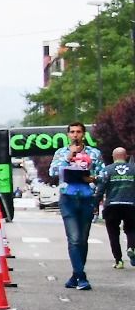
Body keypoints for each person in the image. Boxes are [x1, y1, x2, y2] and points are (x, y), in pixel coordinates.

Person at [48, 122, 105, 289]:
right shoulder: (61, 153)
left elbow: (102, 174)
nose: (75, 135)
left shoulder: (94, 153)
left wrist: (93, 178)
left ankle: (75, 275)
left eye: (78, 132)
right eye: (72, 132)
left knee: (83, 239)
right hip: (68, 198)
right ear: (68, 135)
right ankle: (81, 277)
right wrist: (68, 158)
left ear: (84, 134)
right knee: (74, 238)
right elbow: (53, 172)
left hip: (87, 197)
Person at [97, 147, 135, 271]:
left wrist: (95, 204)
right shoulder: (134, 169)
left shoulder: (107, 170)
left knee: (113, 233)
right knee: (131, 229)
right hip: (130, 204)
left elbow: (101, 189)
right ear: (126, 156)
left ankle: (118, 261)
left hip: (112, 205)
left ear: (114, 157)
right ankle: (131, 247)